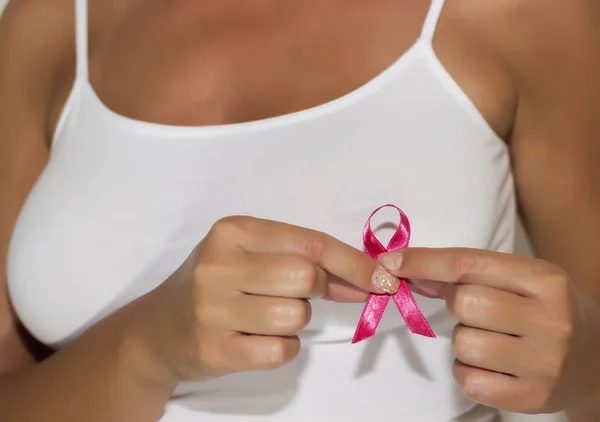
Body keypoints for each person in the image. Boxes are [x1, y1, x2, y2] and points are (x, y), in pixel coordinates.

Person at [1, 0, 599, 421]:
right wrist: (144, 350)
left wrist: (588, 360)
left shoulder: (521, 12)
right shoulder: (46, 25)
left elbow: (587, 357)